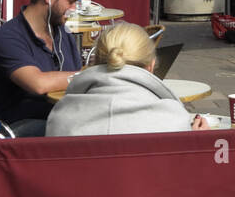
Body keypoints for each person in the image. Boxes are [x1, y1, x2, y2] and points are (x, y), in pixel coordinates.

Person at [46, 22, 208, 136]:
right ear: (151, 66)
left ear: (94, 62)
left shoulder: (61, 116)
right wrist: (198, 142)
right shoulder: (174, 118)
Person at [0, 0, 84, 135]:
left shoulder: (62, 32)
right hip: (12, 128)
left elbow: (74, 80)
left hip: (57, 116)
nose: (74, 9)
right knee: (82, 132)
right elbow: (38, 84)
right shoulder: (7, 37)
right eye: (71, 2)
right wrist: (89, 75)